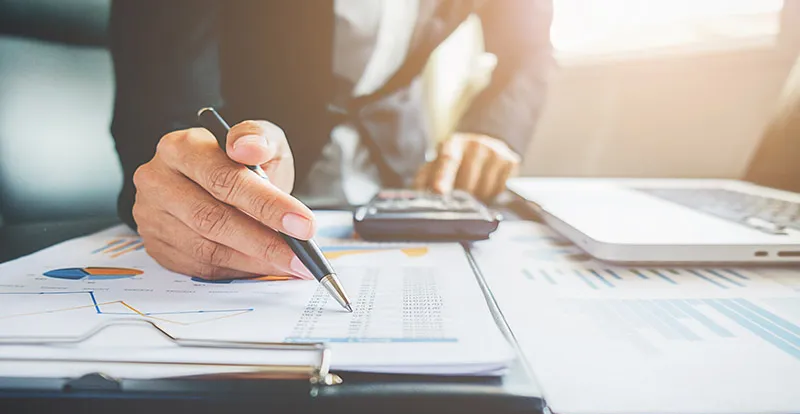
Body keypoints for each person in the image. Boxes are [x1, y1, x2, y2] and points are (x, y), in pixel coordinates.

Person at [110, 0, 553, 280]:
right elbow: (160, 98)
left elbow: (528, 48)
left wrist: (494, 130)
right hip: (252, 170)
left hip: (404, 180)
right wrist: (182, 181)